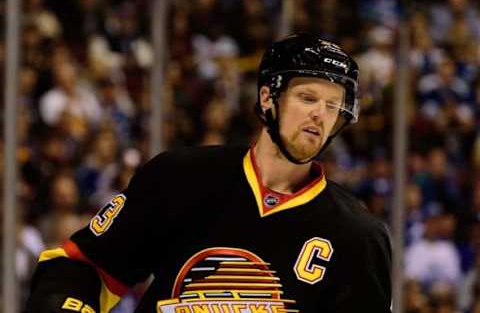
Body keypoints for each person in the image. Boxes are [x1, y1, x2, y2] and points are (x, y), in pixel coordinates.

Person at [26, 34, 392, 313]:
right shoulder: (180, 179)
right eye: (308, 98)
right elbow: (80, 267)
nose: (320, 115)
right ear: (268, 98)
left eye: (333, 105)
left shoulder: (357, 235)